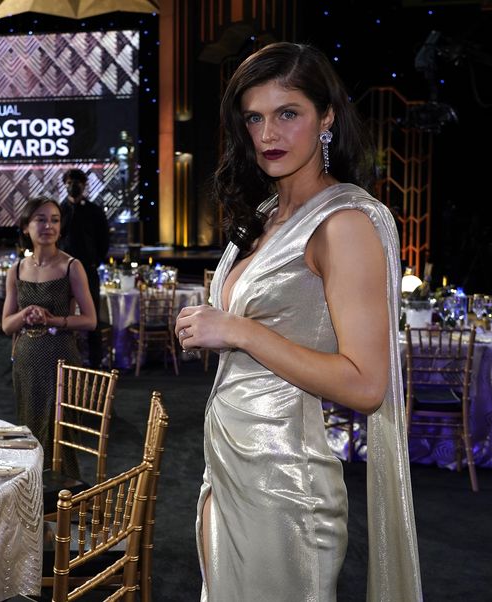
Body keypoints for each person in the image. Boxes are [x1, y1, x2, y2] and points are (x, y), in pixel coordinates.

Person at [174, 43, 421, 601]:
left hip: (286, 487)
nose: (268, 134)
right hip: (229, 471)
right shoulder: (264, 215)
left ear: (326, 116)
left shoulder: (345, 223)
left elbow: (366, 384)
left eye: (288, 114)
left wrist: (239, 331)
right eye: (254, 118)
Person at [2, 197, 97, 473]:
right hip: (26, 362)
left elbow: (90, 320)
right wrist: (25, 314)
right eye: (41, 219)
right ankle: (34, 500)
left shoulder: (71, 266)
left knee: (60, 436)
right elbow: (7, 326)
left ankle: (63, 503)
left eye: (55, 219)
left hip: (61, 361)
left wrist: (54, 319)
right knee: (29, 432)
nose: (49, 226)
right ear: (25, 227)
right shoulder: (17, 270)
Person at [58, 168, 109, 368]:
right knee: (64, 316)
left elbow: (104, 240)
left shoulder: (94, 210)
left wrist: (96, 260)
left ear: (85, 184)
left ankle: (95, 365)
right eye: (70, 181)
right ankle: (66, 362)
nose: (74, 185)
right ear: (65, 184)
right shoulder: (60, 210)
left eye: (78, 182)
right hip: (62, 273)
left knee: (92, 318)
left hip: (88, 270)